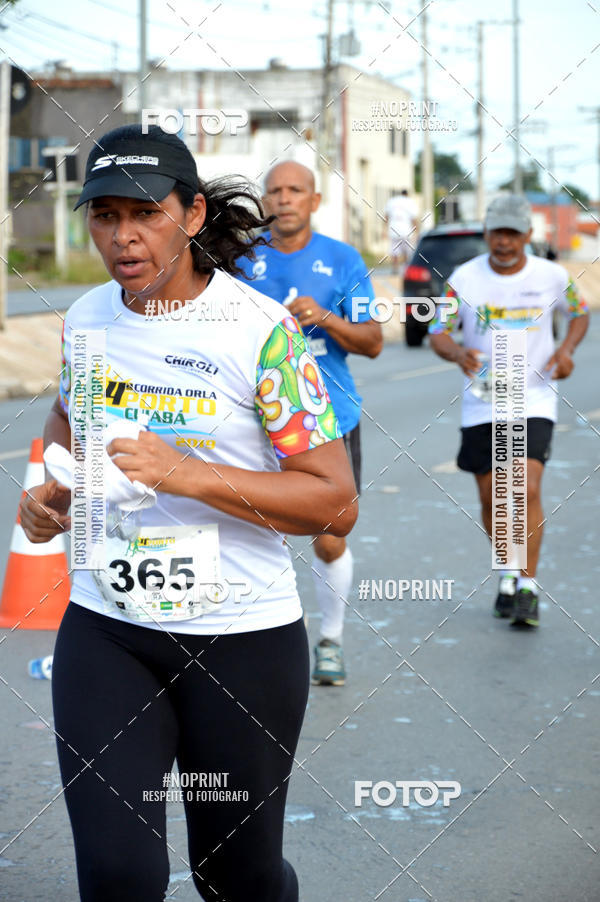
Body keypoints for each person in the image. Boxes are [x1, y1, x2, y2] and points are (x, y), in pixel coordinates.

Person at [19, 124, 357, 902]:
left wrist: (187, 474)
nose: (123, 236)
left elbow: (333, 499)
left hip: (242, 642)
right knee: (119, 875)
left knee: (233, 875)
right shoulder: (89, 319)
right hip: (108, 627)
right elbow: (71, 423)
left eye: (144, 213)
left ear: (195, 214)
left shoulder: (259, 331)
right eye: (103, 216)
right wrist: (53, 497)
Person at [235, 161, 382, 686]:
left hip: (329, 421)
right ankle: (242, 645)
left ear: (314, 201)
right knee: (244, 529)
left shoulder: (342, 260)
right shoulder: (241, 259)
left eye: (296, 190)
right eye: (274, 190)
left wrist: (325, 318)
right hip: (250, 420)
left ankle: (331, 640)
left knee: (328, 535)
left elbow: (373, 343)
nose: (284, 198)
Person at [429, 194, 589, 627]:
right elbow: (438, 331)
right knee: (492, 496)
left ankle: (527, 587)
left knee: (525, 488)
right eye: (497, 233)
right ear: (486, 234)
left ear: (528, 236)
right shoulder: (463, 278)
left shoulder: (553, 276)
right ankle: (506, 569)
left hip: (534, 395)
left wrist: (567, 349)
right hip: (483, 399)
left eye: (512, 234)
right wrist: (457, 353)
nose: (504, 243)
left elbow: (579, 313)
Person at [385, 188, 418, 275]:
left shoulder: (392, 201)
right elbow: (413, 218)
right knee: (406, 251)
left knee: (395, 251)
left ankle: (395, 268)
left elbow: (386, 216)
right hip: (406, 230)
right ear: (407, 194)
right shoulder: (410, 202)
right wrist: (416, 230)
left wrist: (384, 229)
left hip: (393, 229)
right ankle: (406, 268)